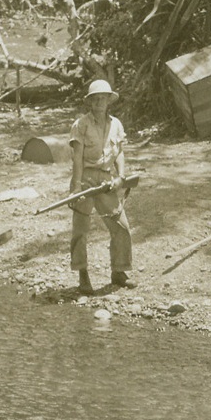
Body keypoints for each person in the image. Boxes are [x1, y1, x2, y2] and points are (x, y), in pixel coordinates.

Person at [69, 79, 134, 295]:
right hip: (85, 178)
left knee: (121, 226)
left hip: (107, 180)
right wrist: (77, 187)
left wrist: (121, 177)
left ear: (109, 101)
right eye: (95, 99)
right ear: (90, 102)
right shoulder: (80, 125)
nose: (99, 103)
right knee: (80, 230)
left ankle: (119, 271)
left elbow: (120, 152)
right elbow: (77, 158)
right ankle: (83, 275)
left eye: (103, 99)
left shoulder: (116, 124)